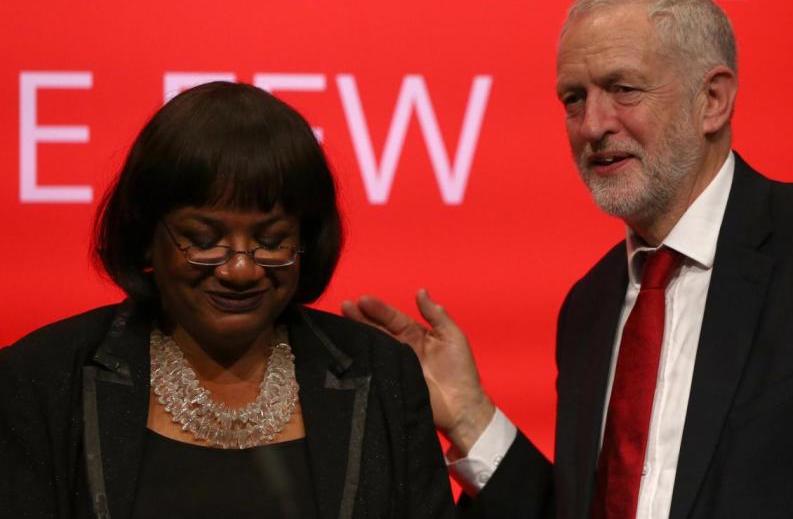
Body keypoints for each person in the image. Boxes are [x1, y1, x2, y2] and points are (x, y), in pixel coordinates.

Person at [343, 0, 793, 518]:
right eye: (574, 99)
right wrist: (471, 415)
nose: (592, 125)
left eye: (624, 89)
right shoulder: (590, 304)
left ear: (712, 100)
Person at [0, 82, 456, 518]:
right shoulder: (41, 379)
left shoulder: (380, 373)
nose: (241, 270)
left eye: (272, 240)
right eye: (204, 239)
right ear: (144, 237)